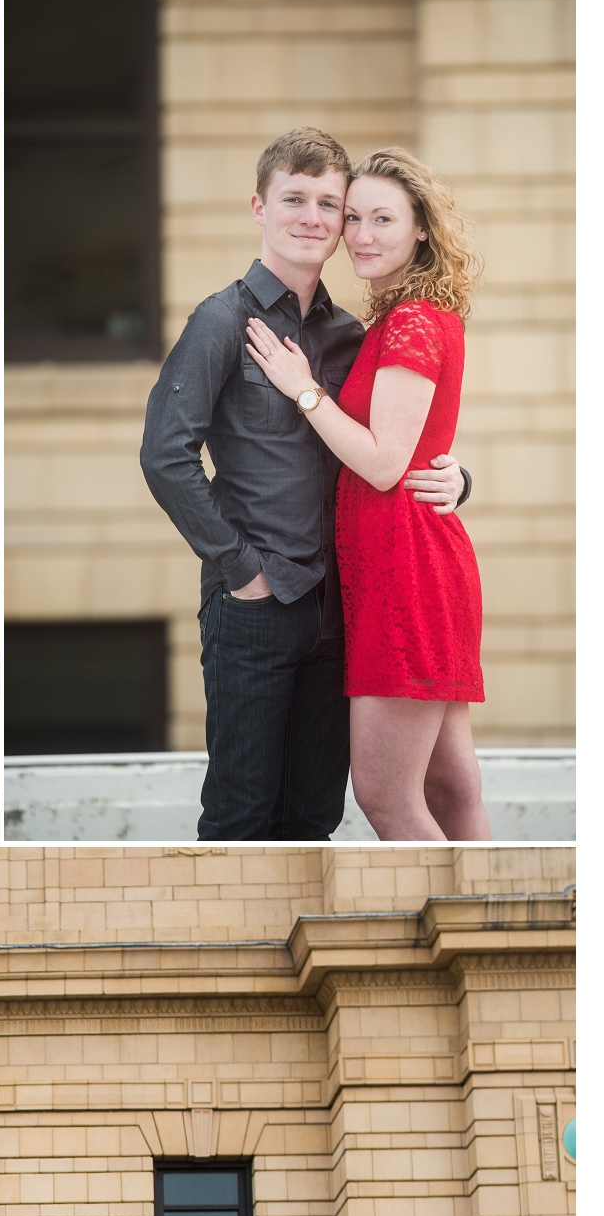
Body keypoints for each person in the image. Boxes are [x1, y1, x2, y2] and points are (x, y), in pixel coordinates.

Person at [141, 127, 471, 842]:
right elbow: (165, 455)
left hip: (342, 611)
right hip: (256, 605)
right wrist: (240, 569)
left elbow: (386, 439)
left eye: (333, 203)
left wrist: (457, 476)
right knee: (240, 814)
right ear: (260, 206)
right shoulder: (222, 320)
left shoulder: (353, 332)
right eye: (295, 198)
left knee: (313, 818)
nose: (316, 218)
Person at [243, 149, 489, 841]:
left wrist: (304, 389)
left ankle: (460, 940)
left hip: (405, 572)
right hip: (408, 562)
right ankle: (487, 923)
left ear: (420, 231)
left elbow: (384, 464)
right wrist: (458, 476)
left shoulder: (412, 321)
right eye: (354, 217)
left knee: (385, 795)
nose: (361, 234)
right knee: (449, 787)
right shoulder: (406, 317)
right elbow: (415, 445)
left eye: (384, 218)